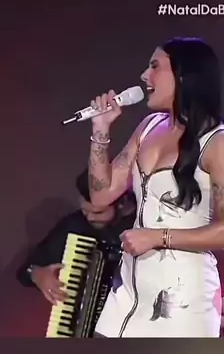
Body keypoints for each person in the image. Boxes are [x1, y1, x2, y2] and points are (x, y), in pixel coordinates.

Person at [87, 36, 224, 337]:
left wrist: (158, 237)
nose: (144, 76)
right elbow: (101, 195)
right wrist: (100, 130)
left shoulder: (216, 142)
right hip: (127, 294)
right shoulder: (148, 127)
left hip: (182, 302)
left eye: (154, 67)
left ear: (184, 76)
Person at [17, 168, 136, 305]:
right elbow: (27, 270)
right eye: (85, 210)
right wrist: (37, 275)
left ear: (122, 204)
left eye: (98, 213)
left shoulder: (142, 223)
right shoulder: (76, 225)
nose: (90, 218)